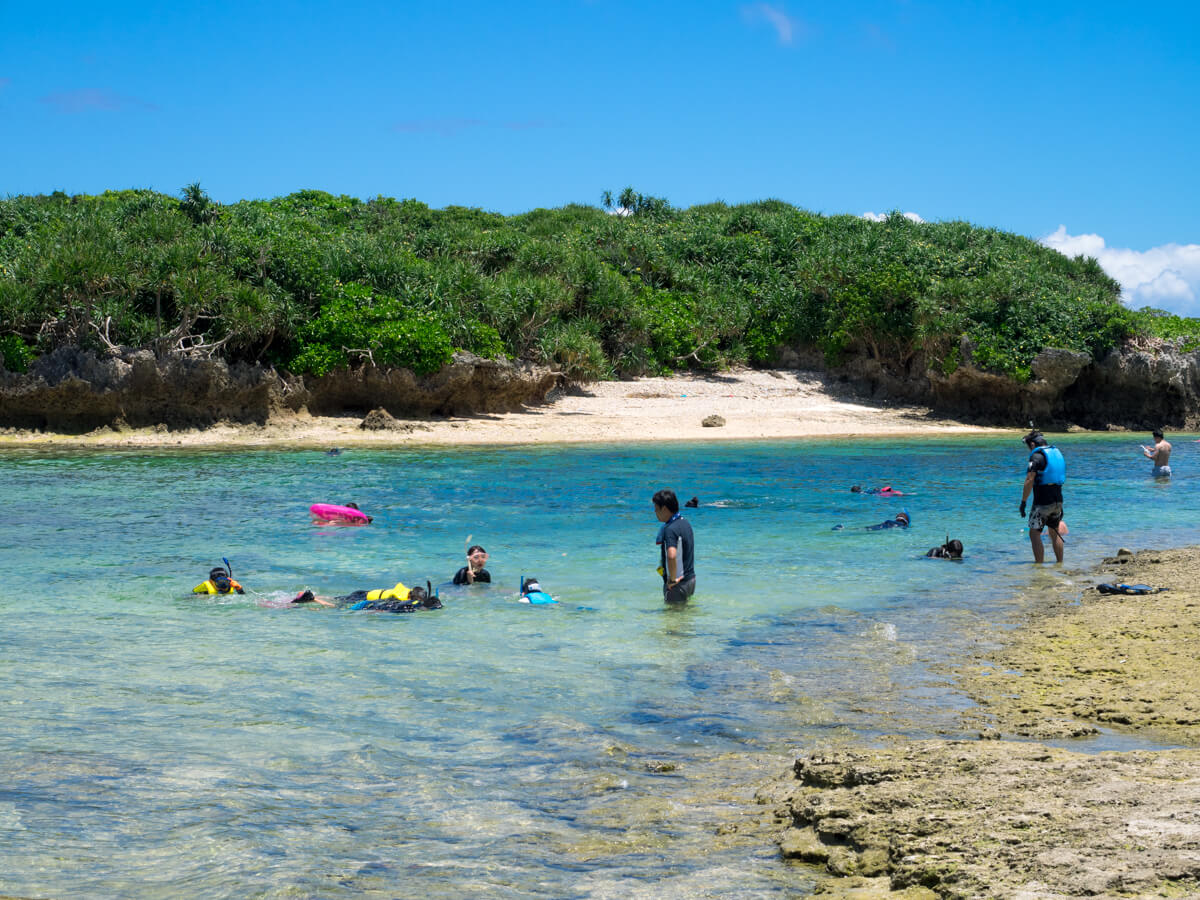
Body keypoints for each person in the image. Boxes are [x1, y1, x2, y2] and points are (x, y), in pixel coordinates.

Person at [1019, 429, 1065, 563]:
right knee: (1054, 532)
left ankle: (1039, 567)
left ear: (1033, 444)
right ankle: (1059, 564)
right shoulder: (1056, 453)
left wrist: (1023, 502)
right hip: (1058, 500)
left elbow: (1029, 480)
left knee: (1034, 533)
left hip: (1042, 502)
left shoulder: (1036, 457)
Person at [653, 489, 696, 604]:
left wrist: (672, 580)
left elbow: (671, 556)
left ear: (665, 509)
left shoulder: (670, 529)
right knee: (683, 618)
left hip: (677, 585)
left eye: (656, 509)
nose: (655, 512)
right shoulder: (685, 523)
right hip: (690, 580)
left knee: (672, 620)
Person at [292, 581, 442, 612]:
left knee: (337, 599)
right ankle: (313, 598)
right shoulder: (398, 599)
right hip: (361, 598)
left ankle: (314, 596)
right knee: (339, 606)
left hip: (362, 592)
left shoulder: (406, 591)